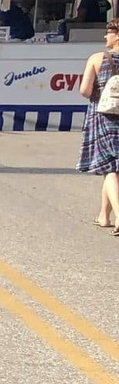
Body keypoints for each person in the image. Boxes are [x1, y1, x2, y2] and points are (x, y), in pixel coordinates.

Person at [76, 19, 119, 231]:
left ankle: (118, 215)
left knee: (110, 166)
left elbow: (84, 90)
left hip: (105, 115)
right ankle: (104, 215)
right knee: (114, 167)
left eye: (109, 32)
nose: (105, 37)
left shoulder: (97, 58)